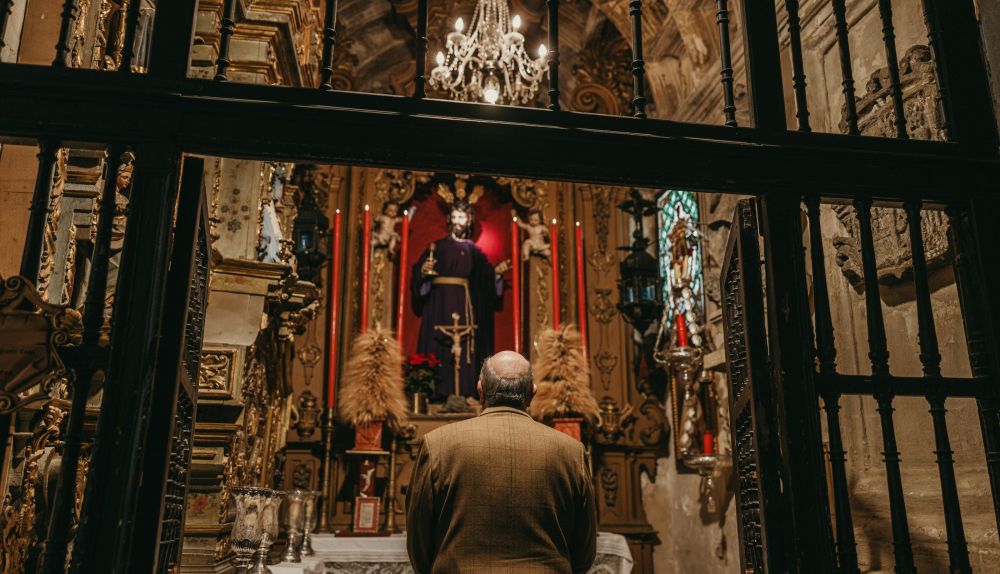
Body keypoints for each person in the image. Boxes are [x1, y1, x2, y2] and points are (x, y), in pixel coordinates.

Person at [406, 351, 598, 574]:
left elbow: (419, 540)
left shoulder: (438, 444)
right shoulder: (571, 451)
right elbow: (584, 549)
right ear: (532, 392)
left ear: (480, 389)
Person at [410, 202, 509, 398]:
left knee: (464, 349)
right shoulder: (436, 247)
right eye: (454, 217)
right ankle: (437, 394)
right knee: (439, 344)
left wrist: (496, 275)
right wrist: (423, 273)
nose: (457, 221)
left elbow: (484, 280)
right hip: (438, 304)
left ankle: (464, 393)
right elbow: (419, 275)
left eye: (461, 217)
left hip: (463, 303)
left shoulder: (473, 251)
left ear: (469, 221)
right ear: (449, 220)